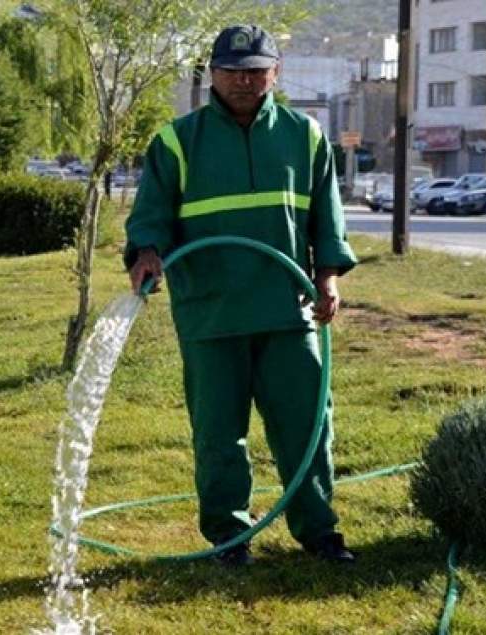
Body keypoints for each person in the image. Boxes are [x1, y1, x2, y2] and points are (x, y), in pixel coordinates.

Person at [123, 25, 357, 566]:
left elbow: (327, 216)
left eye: (256, 69)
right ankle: (229, 537)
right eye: (232, 70)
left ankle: (319, 532)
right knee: (218, 435)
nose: (244, 80)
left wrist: (328, 278)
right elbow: (150, 216)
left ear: (276, 72)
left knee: (307, 427)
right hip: (211, 312)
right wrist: (147, 253)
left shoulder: (306, 136)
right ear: (212, 74)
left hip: (288, 310)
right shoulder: (178, 141)